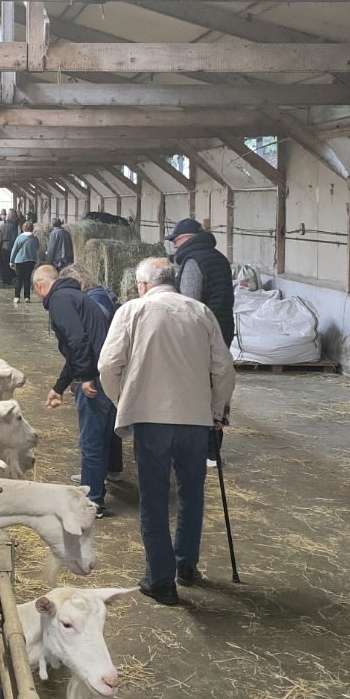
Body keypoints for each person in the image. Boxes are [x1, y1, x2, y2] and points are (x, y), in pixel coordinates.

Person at [98, 257, 236, 605]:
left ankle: (161, 580)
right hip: (194, 418)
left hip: (151, 418)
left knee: (155, 498)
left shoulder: (133, 311)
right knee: (191, 493)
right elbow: (224, 370)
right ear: (172, 281)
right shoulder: (200, 313)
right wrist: (216, 410)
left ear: (142, 285)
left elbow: (107, 365)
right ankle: (186, 565)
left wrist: (124, 400)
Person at [33, 263, 115, 518]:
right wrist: (58, 387)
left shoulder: (59, 299)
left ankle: (93, 502)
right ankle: (94, 488)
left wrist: (87, 377)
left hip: (97, 375)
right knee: (98, 436)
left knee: (91, 438)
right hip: (106, 371)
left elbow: (78, 340)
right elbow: (74, 347)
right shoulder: (75, 296)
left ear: (39, 285)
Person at [58, 263, 124, 480]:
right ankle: (112, 468)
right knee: (111, 421)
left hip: (98, 370)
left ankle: (93, 483)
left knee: (93, 430)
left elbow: (84, 341)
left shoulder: (91, 302)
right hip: (116, 367)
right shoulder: (106, 295)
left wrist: (79, 376)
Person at [164, 217, 234, 348]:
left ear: (187, 237)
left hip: (202, 333)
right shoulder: (219, 257)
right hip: (223, 326)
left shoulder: (194, 261)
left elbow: (188, 303)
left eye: (175, 240)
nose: (174, 245)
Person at [9, 220, 40, 303]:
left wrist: (11, 261)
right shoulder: (35, 239)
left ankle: (17, 297)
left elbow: (14, 250)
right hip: (31, 260)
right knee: (27, 279)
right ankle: (27, 297)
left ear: (23, 228)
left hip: (20, 260)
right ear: (32, 229)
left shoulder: (19, 238)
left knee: (19, 279)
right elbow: (37, 248)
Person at [0, 211, 21, 289]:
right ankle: (10, 279)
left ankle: (5, 279)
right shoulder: (13, 226)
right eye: (14, 217)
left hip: (4, 245)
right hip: (11, 246)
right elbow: (15, 237)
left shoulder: (3, 225)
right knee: (11, 263)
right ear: (12, 218)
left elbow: (0, 236)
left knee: (5, 263)